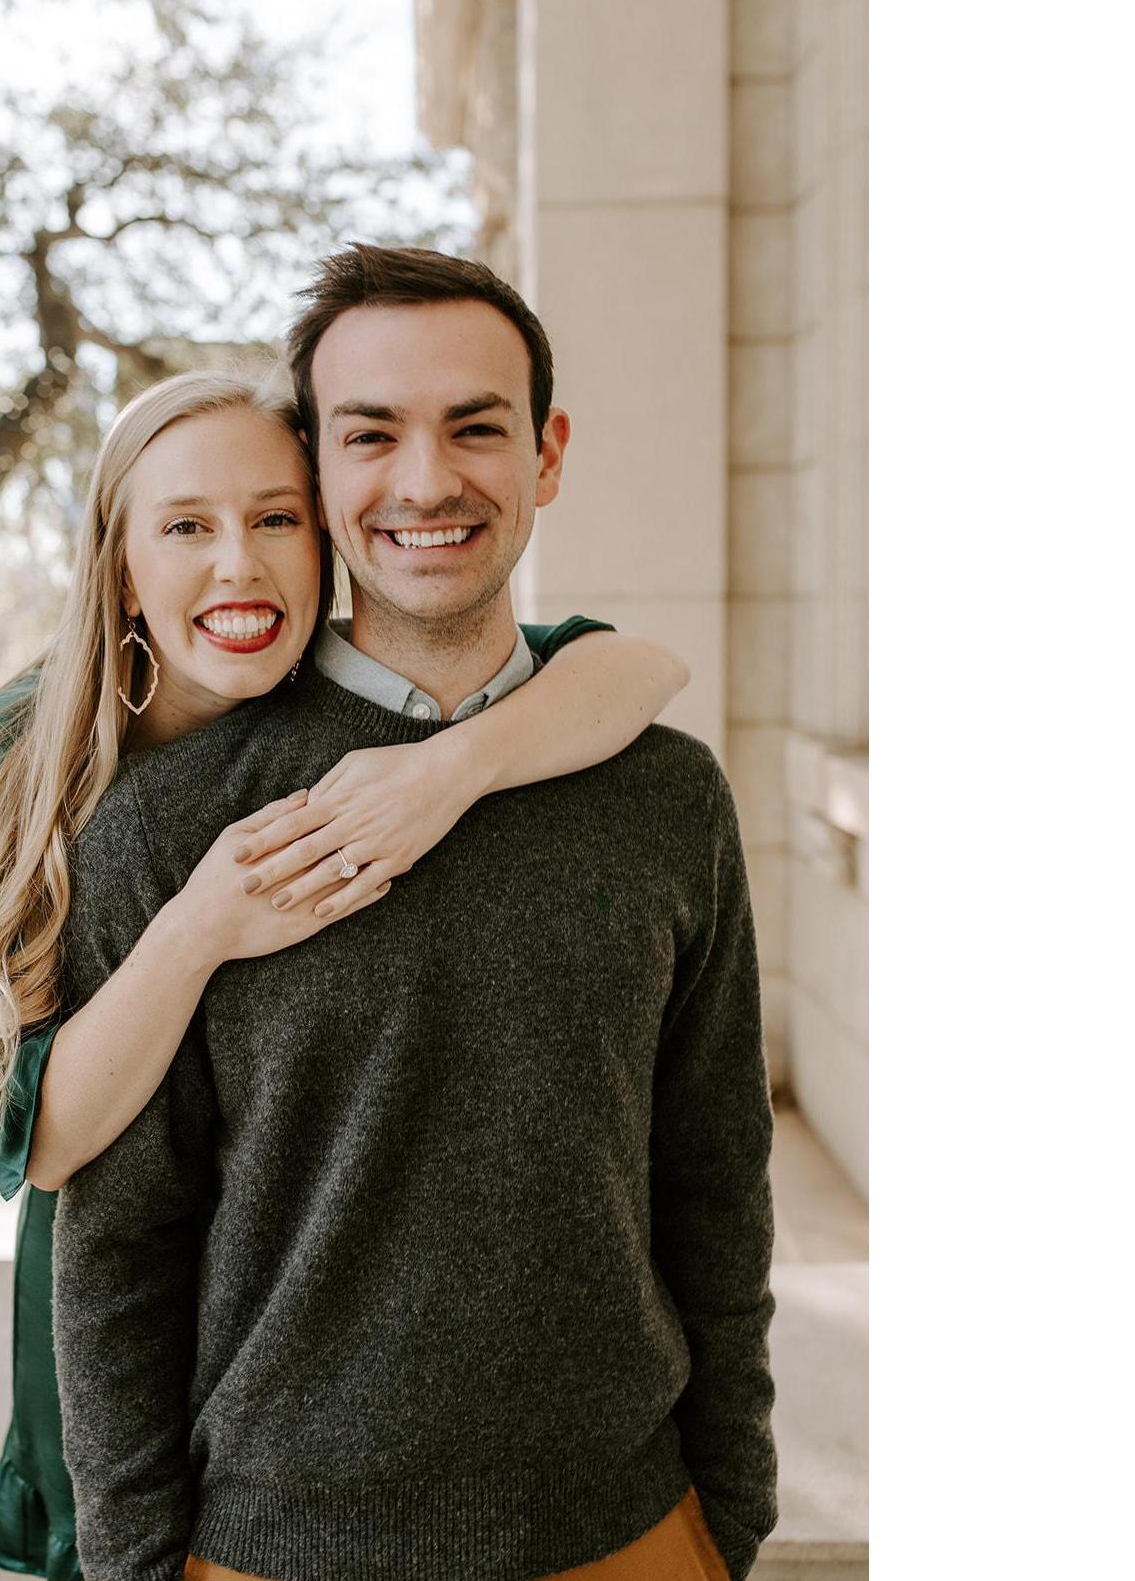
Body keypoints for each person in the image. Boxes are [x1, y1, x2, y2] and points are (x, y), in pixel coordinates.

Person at [48, 246, 779, 1581]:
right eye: (372, 434)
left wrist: (729, 1508)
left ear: (547, 455)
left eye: (477, 428)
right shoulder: (169, 826)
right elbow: (121, 1248)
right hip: (271, 1548)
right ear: (319, 472)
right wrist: (135, 1564)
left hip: (631, 1529)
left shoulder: (667, 795)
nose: (428, 481)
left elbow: (715, 1176)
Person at [0, 367, 692, 1580]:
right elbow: (40, 1140)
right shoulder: (21, 758)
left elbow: (638, 668)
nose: (240, 566)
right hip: (119, 1237)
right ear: (120, 567)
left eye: (276, 517)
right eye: (186, 526)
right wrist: (201, 922)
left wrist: (452, 768)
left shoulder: (368, 695)